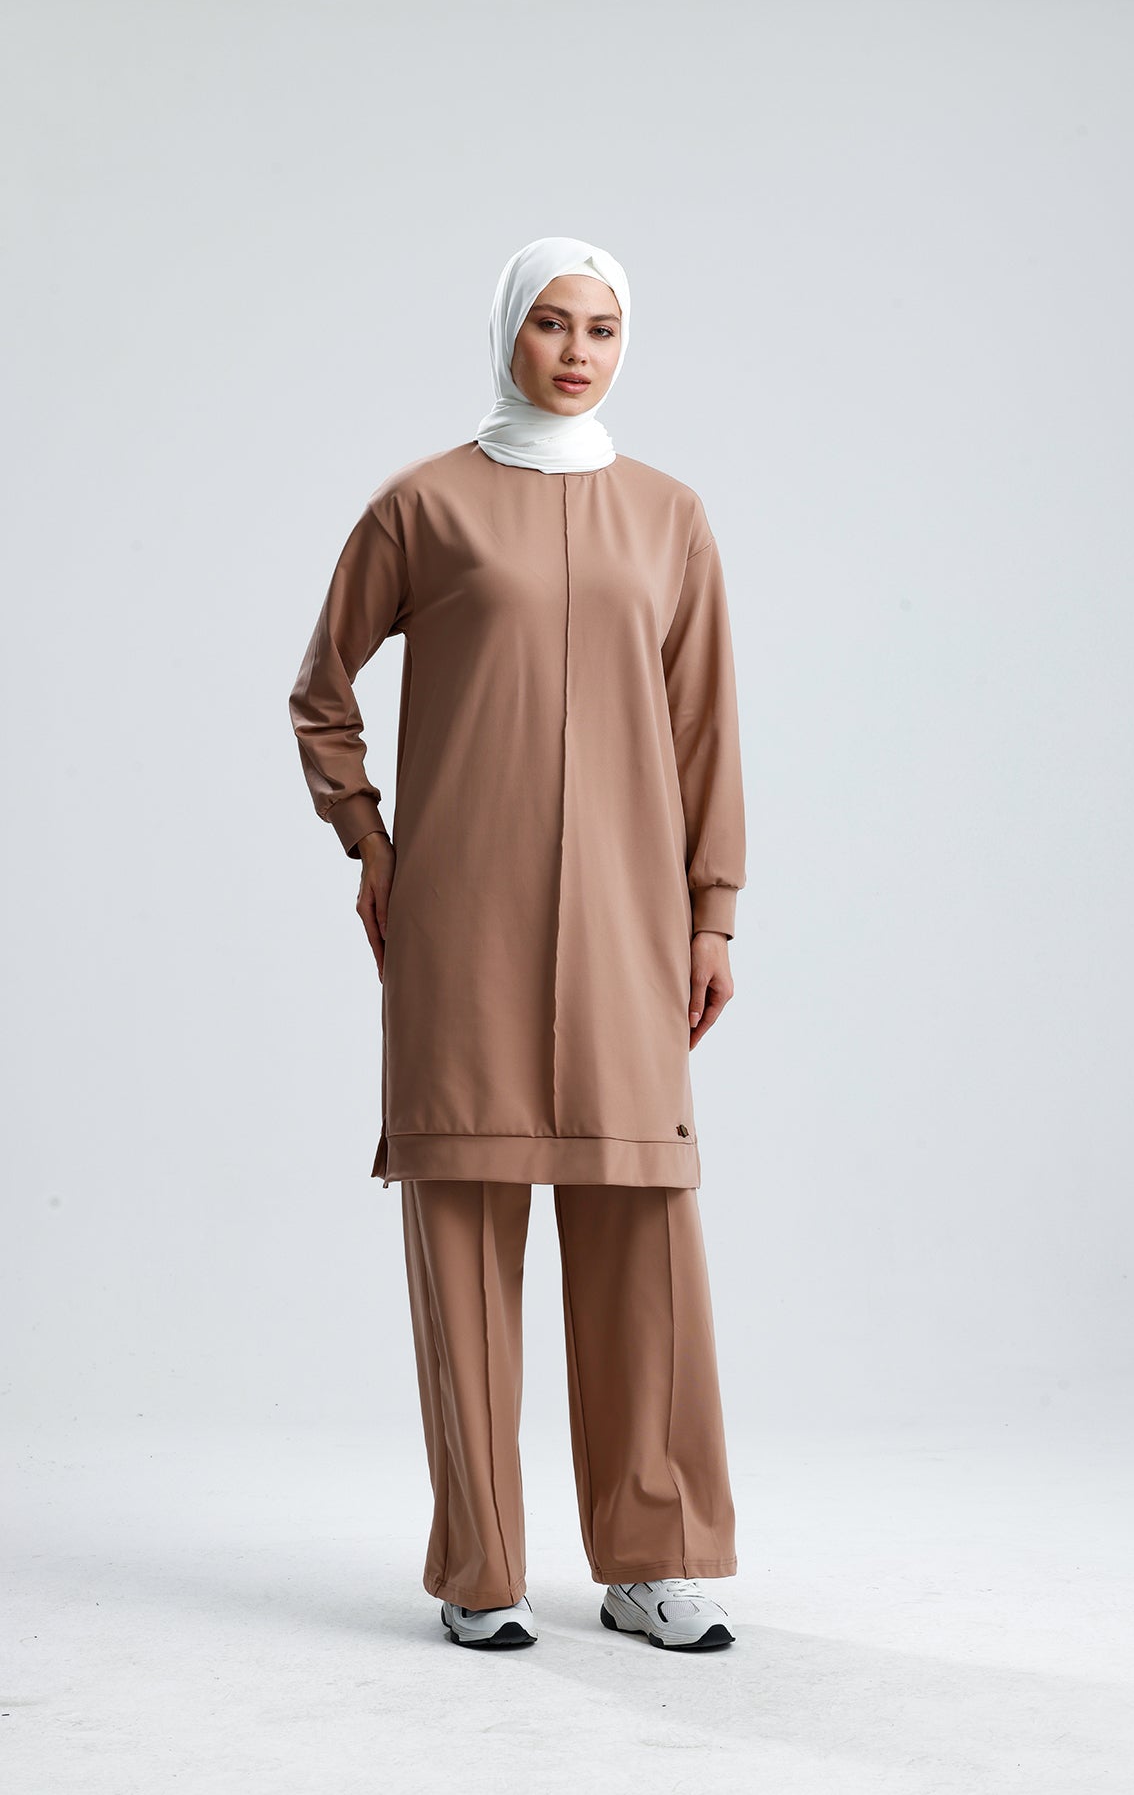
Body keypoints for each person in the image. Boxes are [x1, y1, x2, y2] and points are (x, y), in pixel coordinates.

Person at [288, 236, 747, 1652]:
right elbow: (321, 691)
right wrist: (369, 842)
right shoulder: (422, 507)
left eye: (600, 328)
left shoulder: (669, 517)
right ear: (508, 332)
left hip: (627, 926)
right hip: (462, 926)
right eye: (551, 323)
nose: (575, 351)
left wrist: (713, 912)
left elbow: (706, 732)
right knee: (464, 1227)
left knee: (641, 1229)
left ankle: (650, 1558)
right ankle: (480, 1570)